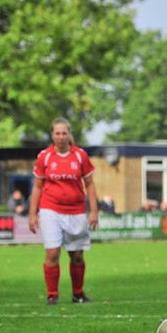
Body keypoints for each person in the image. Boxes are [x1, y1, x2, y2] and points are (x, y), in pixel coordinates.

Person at [28, 117, 98, 306]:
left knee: (76, 255)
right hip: (50, 209)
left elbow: (90, 184)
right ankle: (52, 294)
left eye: (64, 133)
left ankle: (78, 294)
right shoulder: (45, 156)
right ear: (52, 135)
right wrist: (32, 214)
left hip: (76, 211)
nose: (61, 137)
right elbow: (37, 187)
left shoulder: (80, 155)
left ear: (69, 134)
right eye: (57, 133)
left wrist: (94, 211)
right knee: (52, 253)